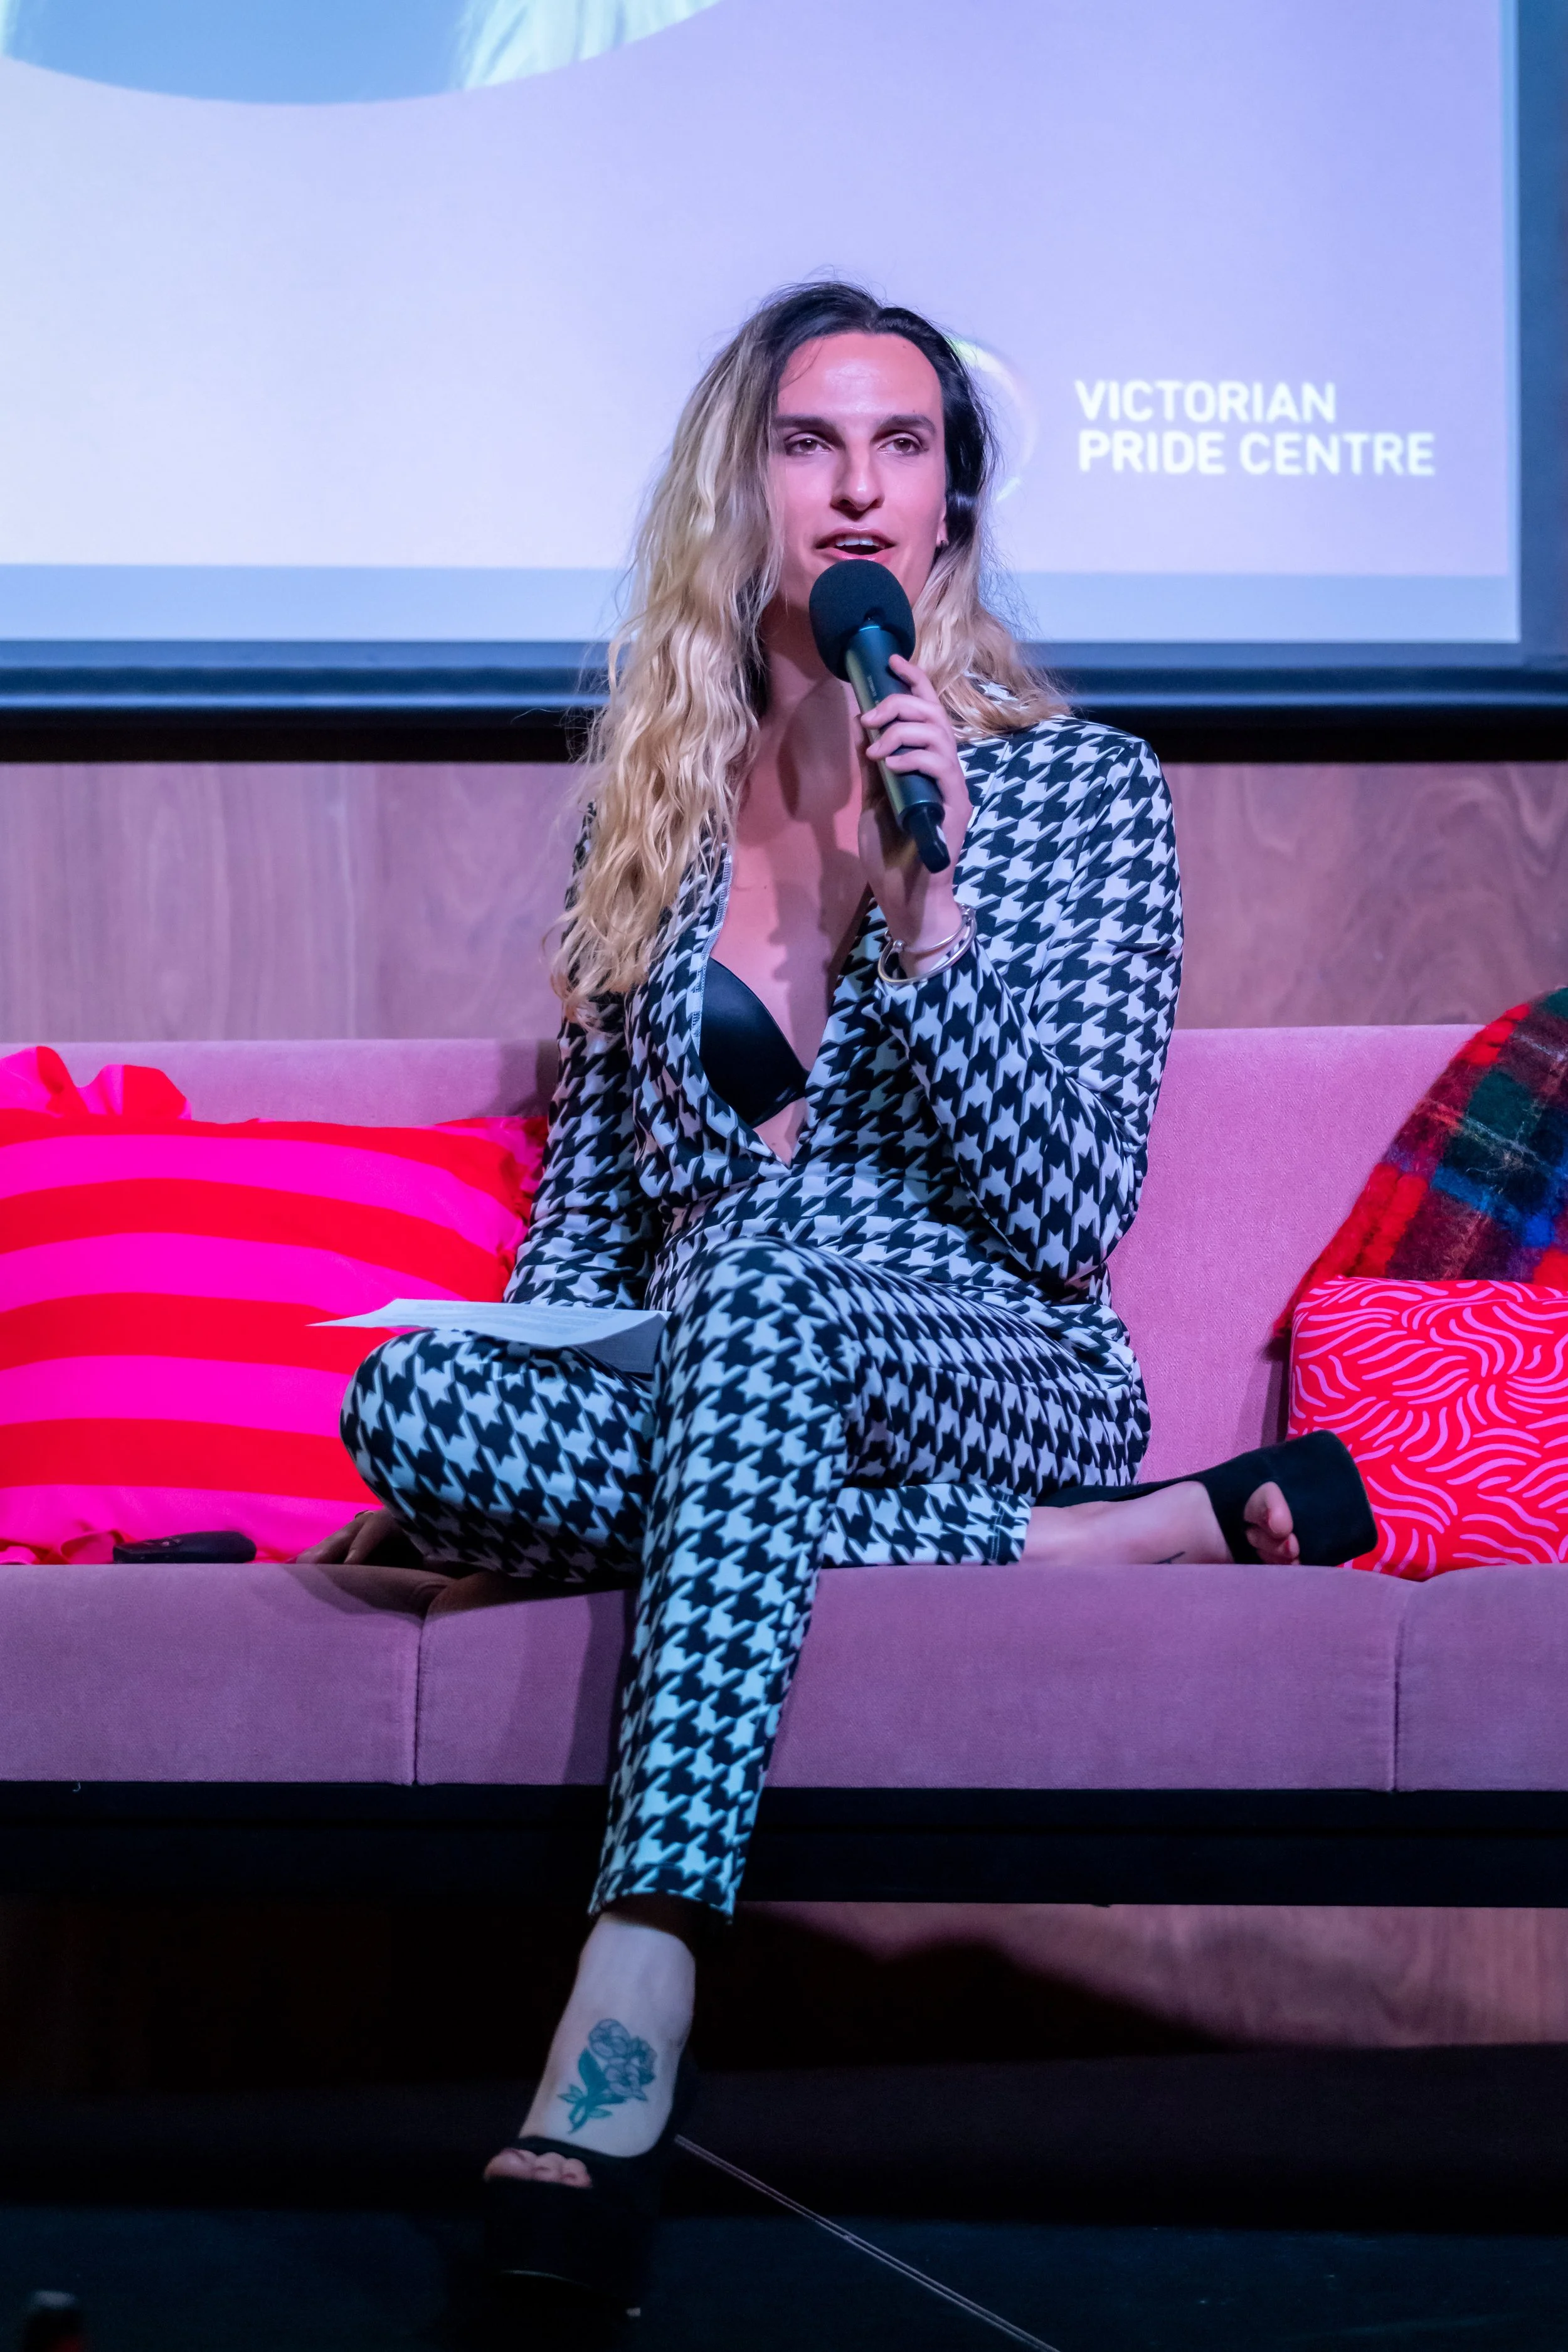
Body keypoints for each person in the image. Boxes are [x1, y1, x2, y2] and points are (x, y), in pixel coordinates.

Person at [302, 280, 1374, 2307]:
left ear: (950, 506)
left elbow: (1065, 1211)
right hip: (725, 1356)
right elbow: (584, 1232)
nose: (860, 489)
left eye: (903, 448)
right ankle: (1069, 1555)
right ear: (747, 496)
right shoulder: (651, 830)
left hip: (993, 1355)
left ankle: (636, 1971)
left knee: (763, 1261)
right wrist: (518, 1341)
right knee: (414, 1409)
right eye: (812, 446)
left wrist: (933, 899)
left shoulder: (1083, 793)